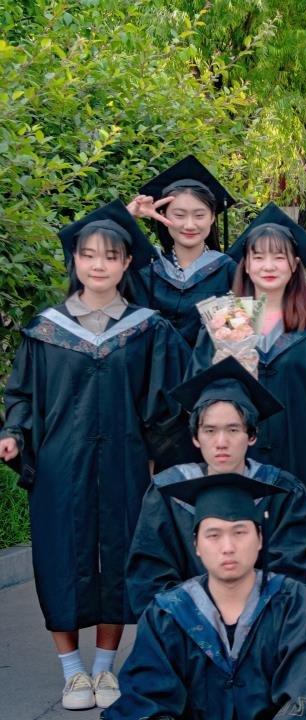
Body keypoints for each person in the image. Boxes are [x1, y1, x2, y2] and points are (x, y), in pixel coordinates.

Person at [0, 200, 187, 710]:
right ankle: (72, 671)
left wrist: (159, 458)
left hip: (126, 465)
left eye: (110, 256)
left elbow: (167, 402)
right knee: (59, 558)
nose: (98, 264)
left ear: (127, 263)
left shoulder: (147, 329)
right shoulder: (45, 329)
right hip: (61, 466)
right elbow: (21, 395)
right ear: (75, 261)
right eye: (88, 255)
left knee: (118, 559)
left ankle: (105, 668)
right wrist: (13, 433)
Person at [105, 474, 306, 720]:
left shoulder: (297, 608)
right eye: (214, 535)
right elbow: (146, 701)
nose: (228, 547)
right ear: (196, 545)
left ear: (260, 539)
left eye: (240, 532)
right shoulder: (167, 616)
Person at [192, 203, 306, 501]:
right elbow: (200, 390)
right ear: (246, 264)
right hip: (240, 452)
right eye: (258, 257)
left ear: (294, 265)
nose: (268, 266)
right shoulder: (224, 322)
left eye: (278, 257)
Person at [127, 357, 306, 619]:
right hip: (185, 629)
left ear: (252, 436)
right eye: (210, 431)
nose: (221, 442)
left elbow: (293, 578)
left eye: (233, 430)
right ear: (195, 437)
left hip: (266, 628)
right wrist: (200, 623)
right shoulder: (167, 491)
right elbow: (150, 578)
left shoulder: (284, 492)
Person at [128, 155, 240, 347]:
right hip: (152, 365)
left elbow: (239, 341)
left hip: (207, 365)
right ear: (162, 215)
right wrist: (128, 214)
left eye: (199, 215)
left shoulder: (229, 270)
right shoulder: (150, 268)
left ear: (212, 217)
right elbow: (85, 257)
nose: (189, 225)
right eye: (179, 215)